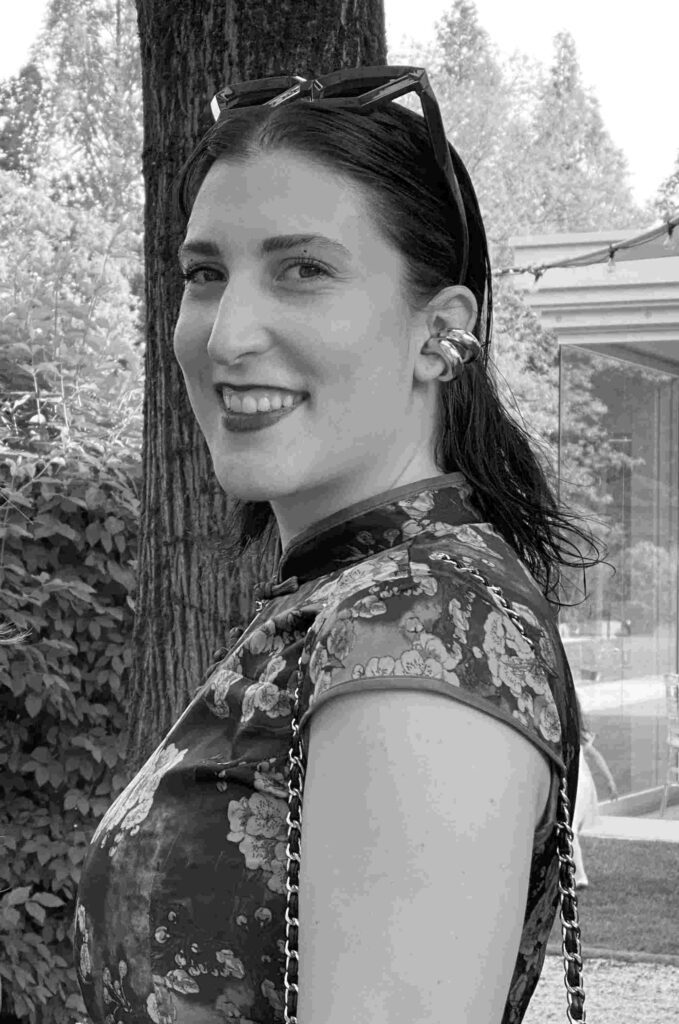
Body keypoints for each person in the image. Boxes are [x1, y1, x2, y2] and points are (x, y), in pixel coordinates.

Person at [73, 67, 599, 1024]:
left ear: (440, 336)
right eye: (205, 274)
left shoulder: (422, 627)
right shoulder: (358, 595)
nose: (226, 335)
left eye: (302, 270)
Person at [571, 694, 619, 889]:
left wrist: (610, 781)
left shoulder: (576, 736)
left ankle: (579, 877)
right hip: (576, 785)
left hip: (577, 786)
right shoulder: (571, 734)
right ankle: (571, 873)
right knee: (569, 830)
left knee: (570, 829)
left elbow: (596, 756)